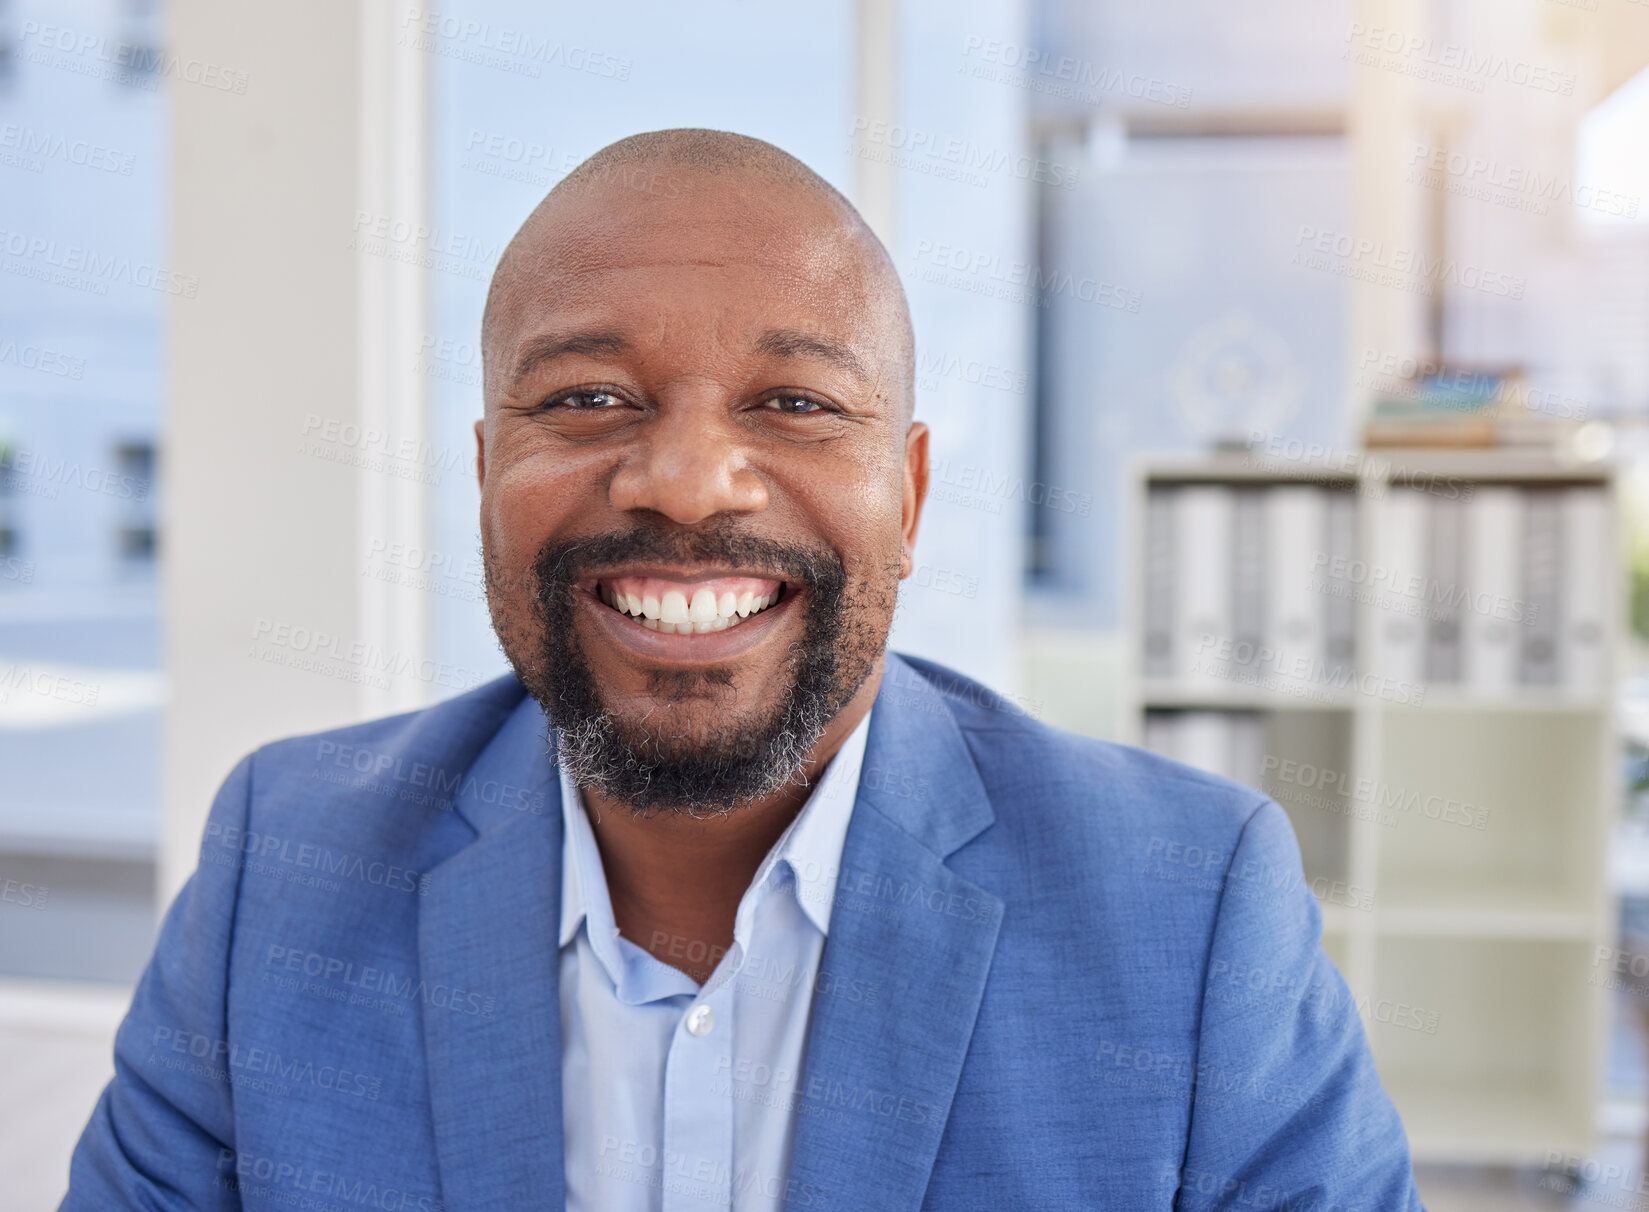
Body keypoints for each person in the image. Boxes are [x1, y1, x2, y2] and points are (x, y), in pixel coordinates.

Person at [62, 129, 1422, 1211]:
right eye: (589, 398)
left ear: (910, 490)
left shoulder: (1190, 909)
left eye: (795, 404)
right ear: (487, 477)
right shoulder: (282, 868)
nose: (686, 483)